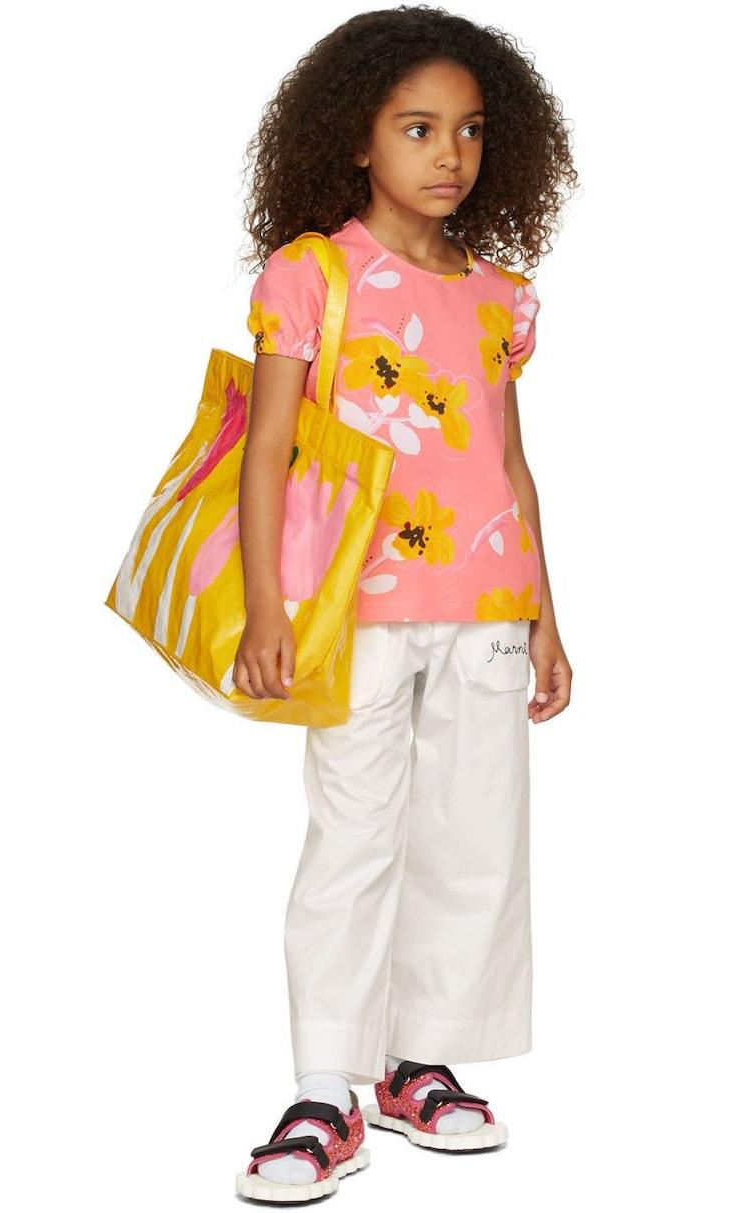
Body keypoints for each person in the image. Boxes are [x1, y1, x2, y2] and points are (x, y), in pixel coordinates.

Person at [234, 5, 578, 1202]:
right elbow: (266, 450)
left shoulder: (498, 298)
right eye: (417, 128)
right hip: (351, 609)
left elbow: (507, 461)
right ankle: (322, 1088)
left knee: (471, 839)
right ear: (355, 137)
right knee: (352, 836)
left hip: (486, 607)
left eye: (470, 130)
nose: (449, 154)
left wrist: (546, 614)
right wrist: (267, 606)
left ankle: (416, 1062)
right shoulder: (311, 274)